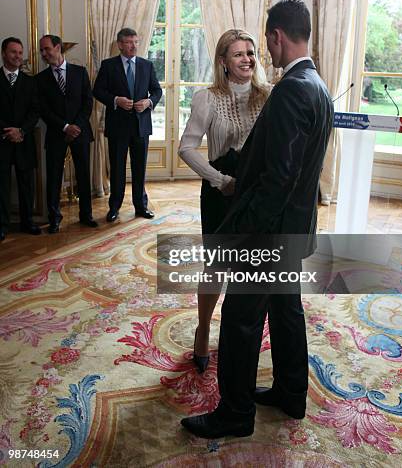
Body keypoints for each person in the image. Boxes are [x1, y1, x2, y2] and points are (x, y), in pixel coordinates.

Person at [181, 0, 334, 438]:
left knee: (241, 318)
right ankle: (290, 392)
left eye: (264, 44)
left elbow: (278, 179)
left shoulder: (289, 89)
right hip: (294, 229)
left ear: (276, 37)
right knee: (286, 311)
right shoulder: (316, 84)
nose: (261, 54)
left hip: (267, 232)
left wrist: (241, 231)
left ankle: (235, 413)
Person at [178, 29, 269, 372]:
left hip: (255, 192)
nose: (247, 59)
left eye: (250, 52)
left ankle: (239, 335)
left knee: (252, 268)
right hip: (220, 190)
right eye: (238, 54)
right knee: (216, 266)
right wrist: (220, 181)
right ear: (223, 62)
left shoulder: (269, 95)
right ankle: (203, 329)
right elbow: (186, 148)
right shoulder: (208, 98)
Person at [93, 28, 162, 222]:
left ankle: (141, 206)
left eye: (136, 42)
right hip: (118, 127)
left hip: (141, 126)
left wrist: (148, 102)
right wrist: (116, 100)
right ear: (120, 45)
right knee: (117, 168)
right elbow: (97, 91)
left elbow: (156, 90)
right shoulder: (108, 65)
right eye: (129, 42)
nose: (134, 46)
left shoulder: (146, 65)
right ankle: (114, 207)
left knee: (140, 168)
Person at [37, 35, 97, 233]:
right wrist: (65, 127)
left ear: (58, 47)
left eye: (47, 49)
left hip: (80, 132)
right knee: (54, 177)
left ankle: (86, 215)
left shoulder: (80, 72)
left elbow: (88, 102)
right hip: (56, 133)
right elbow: (43, 110)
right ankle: (54, 218)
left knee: (83, 174)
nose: (44, 54)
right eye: (42, 51)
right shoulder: (41, 79)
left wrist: (76, 126)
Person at [0, 37, 41, 240]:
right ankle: (2, 225)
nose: (17, 56)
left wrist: (21, 131)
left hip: (24, 140)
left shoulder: (30, 82)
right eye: (13, 52)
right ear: (3, 54)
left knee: (27, 184)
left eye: (20, 52)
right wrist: (9, 131)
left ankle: (27, 222)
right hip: (2, 140)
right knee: (2, 185)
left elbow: (35, 112)